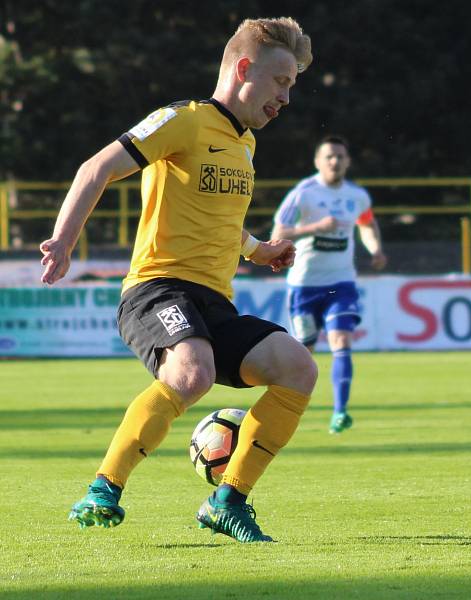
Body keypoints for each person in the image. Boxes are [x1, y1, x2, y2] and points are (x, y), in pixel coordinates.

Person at [40, 17, 316, 543]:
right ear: (243, 69)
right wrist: (64, 239)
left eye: (291, 87)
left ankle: (227, 501)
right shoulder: (182, 120)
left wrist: (260, 251)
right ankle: (104, 487)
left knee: (297, 369)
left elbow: (223, 221)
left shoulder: (246, 145)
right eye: (281, 82)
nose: (286, 97)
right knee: (193, 374)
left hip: (214, 302)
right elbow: (94, 168)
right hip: (157, 288)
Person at [271, 136, 387, 434]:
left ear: (347, 162)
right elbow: (279, 231)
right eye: (329, 157)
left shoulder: (357, 196)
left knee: (342, 343)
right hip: (304, 285)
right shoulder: (304, 194)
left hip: (342, 283)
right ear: (318, 162)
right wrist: (315, 228)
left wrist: (374, 249)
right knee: (304, 357)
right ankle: (289, 411)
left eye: (340, 156)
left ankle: (340, 412)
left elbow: (367, 224)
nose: (335, 161)